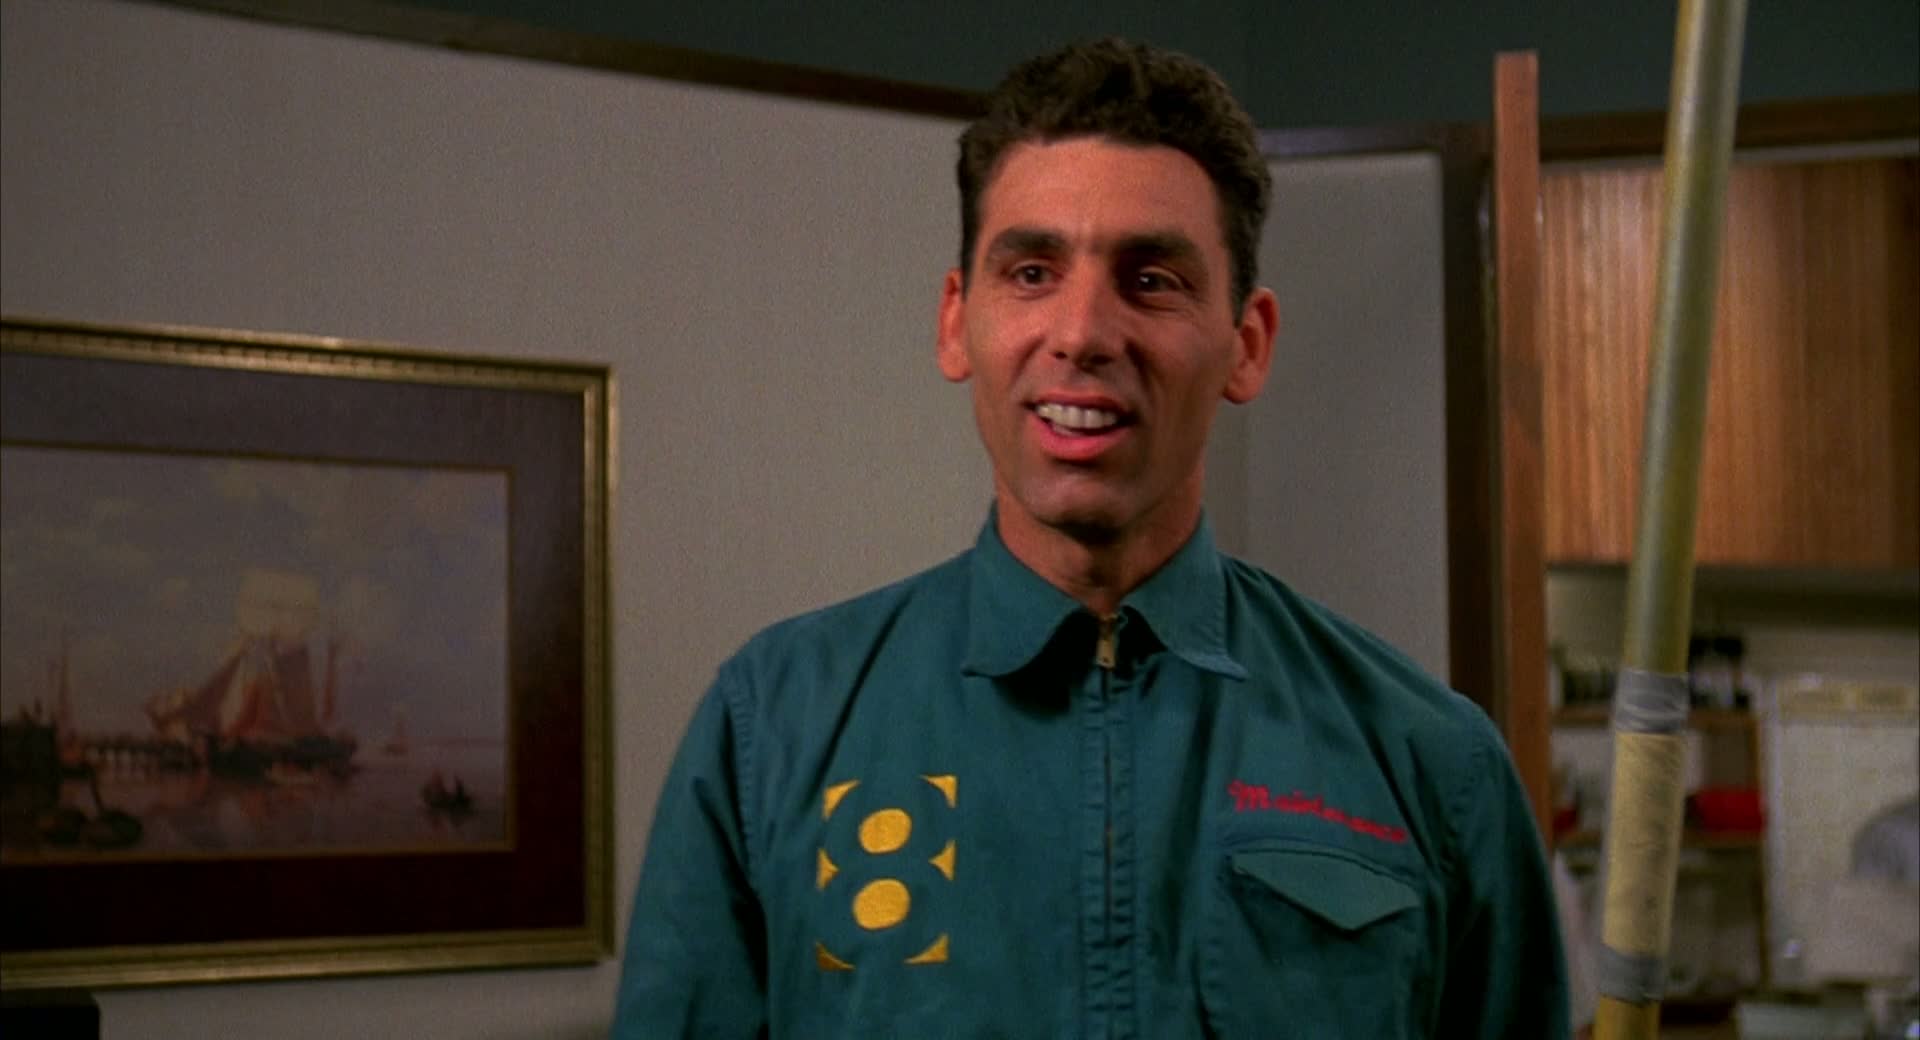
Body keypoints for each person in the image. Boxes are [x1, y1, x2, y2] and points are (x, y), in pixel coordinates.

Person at [613, 37, 1568, 1039]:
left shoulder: (1430, 764)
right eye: (1031, 271)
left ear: (1246, 344)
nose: (1082, 333)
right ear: (956, 322)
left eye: (1151, 279)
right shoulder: (771, 729)